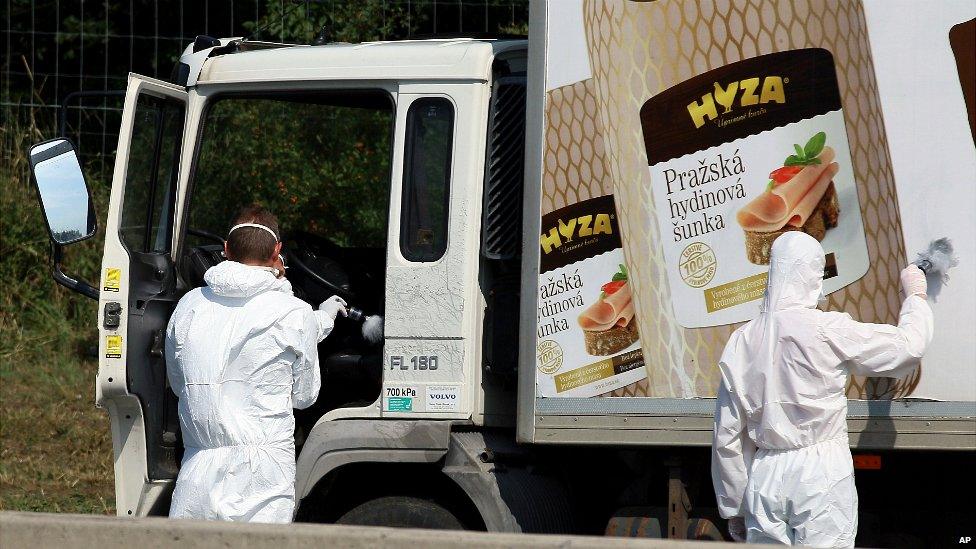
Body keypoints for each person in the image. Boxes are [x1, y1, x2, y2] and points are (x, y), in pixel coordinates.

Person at [711, 232, 933, 546]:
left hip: (765, 473)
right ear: (815, 277)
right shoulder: (827, 329)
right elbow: (907, 348)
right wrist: (915, 298)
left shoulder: (742, 341)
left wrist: (733, 505)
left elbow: (727, 434)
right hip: (821, 472)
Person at [165, 205, 348, 523]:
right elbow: (304, 397)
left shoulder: (189, 306)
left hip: (198, 473)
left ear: (225, 250)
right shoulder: (293, 311)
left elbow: (180, 383)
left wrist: (323, 318)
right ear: (278, 250)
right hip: (265, 475)